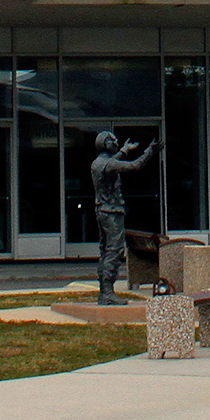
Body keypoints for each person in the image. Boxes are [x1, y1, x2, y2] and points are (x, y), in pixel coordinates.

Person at [89, 129, 157, 304]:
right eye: (113, 141)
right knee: (115, 249)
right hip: (112, 212)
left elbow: (112, 161)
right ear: (105, 144)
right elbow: (135, 166)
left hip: (102, 211)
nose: (116, 142)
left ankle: (104, 291)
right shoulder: (110, 165)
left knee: (105, 250)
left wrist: (124, 150)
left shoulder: (98, 163)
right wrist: (149, 152)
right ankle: (108, 292)